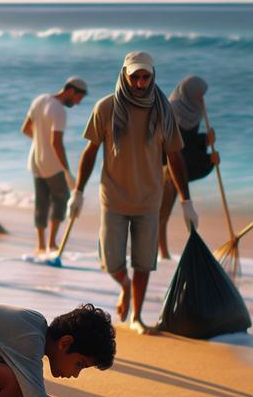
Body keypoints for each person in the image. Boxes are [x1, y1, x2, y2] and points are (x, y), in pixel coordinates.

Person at [72, 51, 196, 334]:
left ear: (152, 76)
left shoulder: (164, 111)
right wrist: (77, 192)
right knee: (110, 261)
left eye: (145, 77)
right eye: (135, 77)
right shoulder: (106, 107)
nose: (140, 83)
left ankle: (137, 316)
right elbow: (90, 151)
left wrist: (186, 201)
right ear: (124, 75)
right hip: (113, 196)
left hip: (149, 198)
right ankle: (124, 285)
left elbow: (175, 156)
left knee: (144, 262)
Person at [21, 77, 88, 255]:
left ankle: (40, 245)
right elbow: (56, 142)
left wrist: (40, 141)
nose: (78, 103)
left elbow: (26, 129)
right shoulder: (59, 111)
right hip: (52, 164)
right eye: (78, 98)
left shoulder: (40, 100)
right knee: (60, 199)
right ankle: (51, 244)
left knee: (41, 202)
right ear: (71, 91)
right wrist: (66, 170)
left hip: (35, 160)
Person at [158, 75, 220, 259]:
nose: (202, 99)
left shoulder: (195, 109)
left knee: (176, 210)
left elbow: (189, 145)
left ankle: (168, 252)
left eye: (203, 95)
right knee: (163, 212)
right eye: (200, 94)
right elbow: (178, 143)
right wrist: (204, 141)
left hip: (182, 161)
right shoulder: (173, 110)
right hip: (167, 163)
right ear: (190, 92)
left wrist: (208, 151)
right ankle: (163, 254)